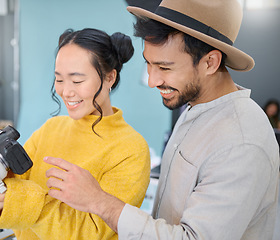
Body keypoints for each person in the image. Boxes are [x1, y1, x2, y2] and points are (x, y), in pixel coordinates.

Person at [44, 0, 280, 239]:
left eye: (164, 68)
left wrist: (99, 202)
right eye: (149, 63)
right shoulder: (194, 109)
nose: (152, 80)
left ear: (210, 62)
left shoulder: (241, 142)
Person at [0, 28, 151, 239]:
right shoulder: (51, 128)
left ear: (110, 77)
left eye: (77, 81)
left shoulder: (131, 149)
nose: (66, 91)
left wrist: (18, 201)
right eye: (59, 79)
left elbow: (93, 233)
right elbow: (15, 186)